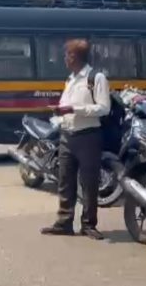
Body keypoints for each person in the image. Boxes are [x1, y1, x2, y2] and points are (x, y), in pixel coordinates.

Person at [41, 39, 110, 240]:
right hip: (67, 136)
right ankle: (64, 222)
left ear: (74, 57)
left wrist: (74, 109)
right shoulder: (70, 79)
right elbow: (66, 106)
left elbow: (104, 108)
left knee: (89, 183)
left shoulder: (96, 78)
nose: (64, 59)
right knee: (65, 181)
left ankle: (88, 224)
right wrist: (59, 114)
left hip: (88, 137)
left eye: (67, 55)